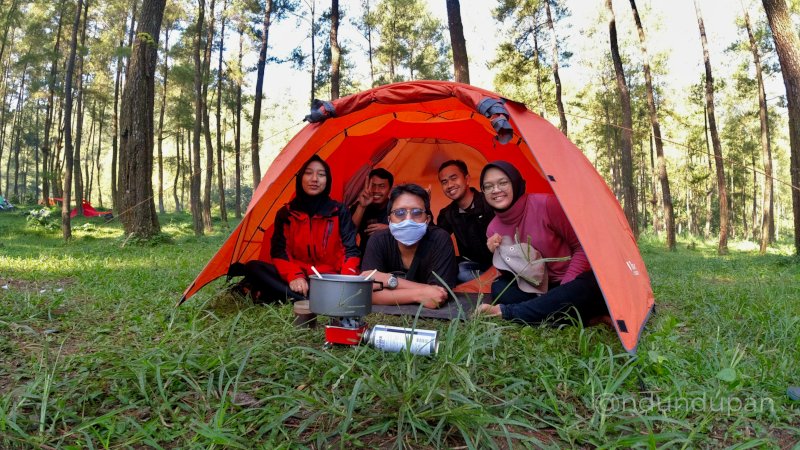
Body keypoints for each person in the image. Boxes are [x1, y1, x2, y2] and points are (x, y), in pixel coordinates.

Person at [475, 160, 610, 326]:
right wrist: (498, 255)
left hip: (573, 282)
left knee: (590, 285)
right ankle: (569, 314)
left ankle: (509, 313)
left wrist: (564, 290)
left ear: (515, 182)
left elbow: (582, 248)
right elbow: (518, 275)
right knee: (500, 287)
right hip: (538, 288)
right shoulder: (493, 229)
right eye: (488, 186)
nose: (496, 190)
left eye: (503, 183)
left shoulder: (547, 204)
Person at [234, 155, 360, 301]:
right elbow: (280, 252)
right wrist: (295, 276)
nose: (314, 179)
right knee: (253, 267)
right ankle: (310, 299)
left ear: (328, 181)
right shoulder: (286, 214)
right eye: (308, 173)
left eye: (321, 174)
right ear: (300, 178)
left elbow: (350, 250)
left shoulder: (339, 211)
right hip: (296, 275)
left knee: (264, 285)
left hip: (328, 278)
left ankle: (278, 295)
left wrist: (346, 280)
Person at [360, 183, 458, 308]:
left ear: (427, 220)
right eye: (399, 213)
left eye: (417, 212)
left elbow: (438, 296)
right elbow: (367, 293)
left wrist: (388, 280)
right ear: (389, 220)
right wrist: (419, 294)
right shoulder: (378, 240)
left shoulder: (440, 239)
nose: (408, 219)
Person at [436, 159, 495, 283]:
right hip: (473, 266)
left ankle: (495, 280)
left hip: (500, 261)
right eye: (444, 182)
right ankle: (492, 282)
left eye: (454, 178)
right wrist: (425, 206)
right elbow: (436, 240)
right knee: (459, 271)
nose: (450, 185)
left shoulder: (490, 202)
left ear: (467, 179)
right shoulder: (447, 214)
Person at [350, 168, 394, 255]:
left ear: (390, 189)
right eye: (373, 185)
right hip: (366, 256)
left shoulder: (397, 207)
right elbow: (349, 233)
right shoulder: (360, 206)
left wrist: (390, 229)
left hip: (391, 257)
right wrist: (362, 207)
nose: (376, 190)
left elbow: (412, 233)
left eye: (382, 186)